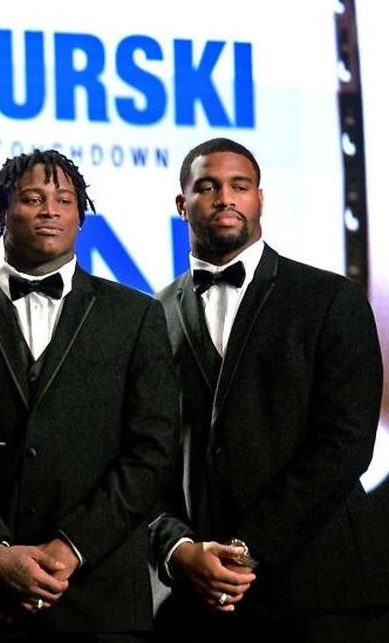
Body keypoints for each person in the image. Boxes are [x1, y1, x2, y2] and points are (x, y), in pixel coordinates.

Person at [0, 149, 178, 642]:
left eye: (64, 200)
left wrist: (71, 547)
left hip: (102, 601)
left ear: (81, 215)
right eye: (33, 198)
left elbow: (153, 450)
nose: (50, 211)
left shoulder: (136, 315)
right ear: (0, 212)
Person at [150, 137, 389, 642]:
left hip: (321, 595)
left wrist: (247, 548)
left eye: (240, 186)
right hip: (201, 600)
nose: (225, 198)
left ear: (260, 198)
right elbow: (149, 451)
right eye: (208, 187)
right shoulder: (155, 313)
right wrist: (180, 548)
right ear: (181, 204)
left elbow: (345, 445)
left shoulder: (330, 298)